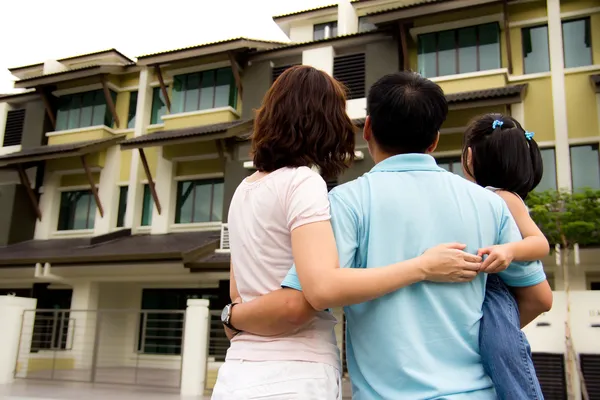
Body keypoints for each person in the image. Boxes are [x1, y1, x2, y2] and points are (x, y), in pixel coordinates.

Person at [223, 71, 553, 399]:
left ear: (367, 128)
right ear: (434, 140)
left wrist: (233, 317)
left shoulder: (344, 203)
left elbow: (309, 294)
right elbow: (538, 298)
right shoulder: (490, 204)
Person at [462, 114, 551, 399]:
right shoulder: (484, 196)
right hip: (494, 287)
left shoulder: (502, 197)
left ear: (471, 156)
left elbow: (540, 243)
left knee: (506, 362)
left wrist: (508, 250)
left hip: (498, 288)